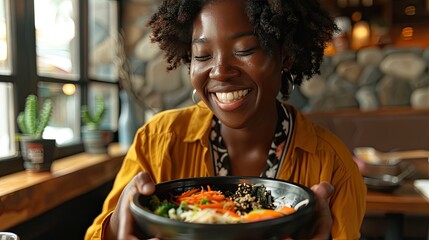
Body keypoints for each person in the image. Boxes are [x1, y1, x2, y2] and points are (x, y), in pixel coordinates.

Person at [85, 0, 366, 239]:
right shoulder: (158, 140)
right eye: (203, 55)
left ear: (286, 56)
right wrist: (117, 225)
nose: (219, 71)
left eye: (245, 50)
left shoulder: (332, 165)